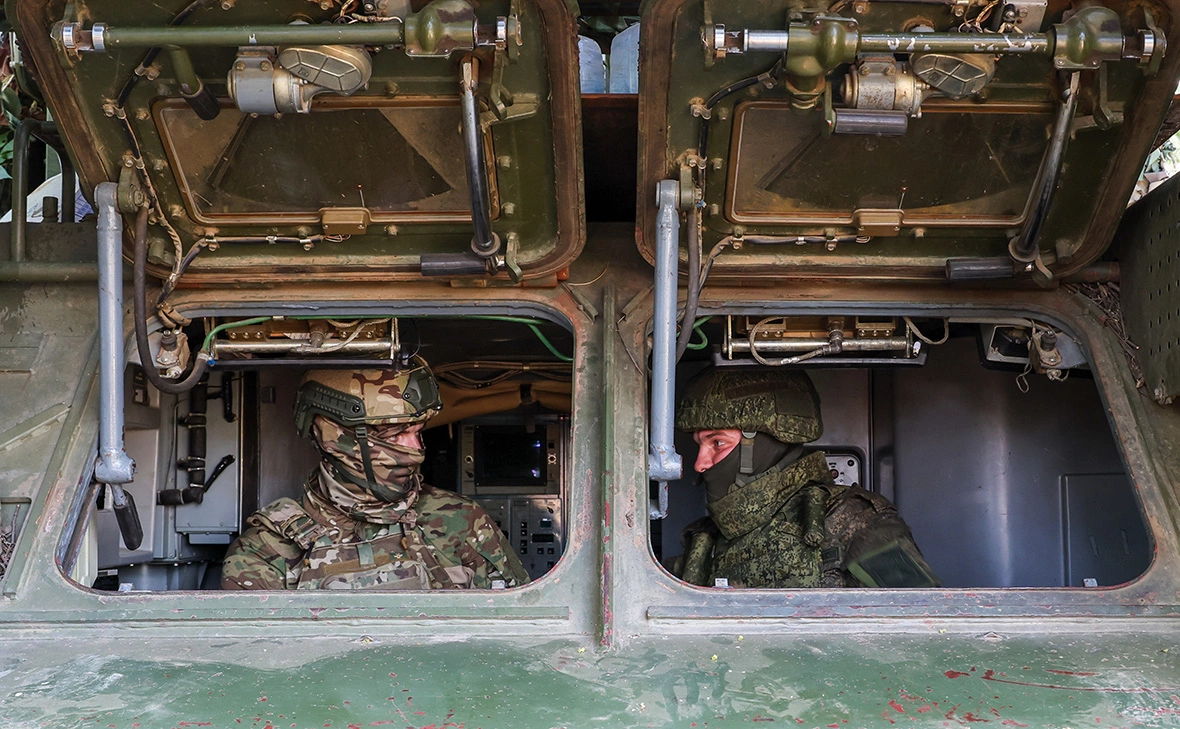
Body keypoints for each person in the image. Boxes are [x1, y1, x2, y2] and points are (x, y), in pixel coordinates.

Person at [221, 359, 529, 590]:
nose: (415, 451)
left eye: (418, 432)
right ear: (332, 437)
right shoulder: (265, 550)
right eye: (395, 435)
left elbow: (519, 629)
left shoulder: (460, 520)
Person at [671, 367, 939, 589]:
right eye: (699, 445)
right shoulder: (708, 536)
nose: (700, 464)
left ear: (765, 444)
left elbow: (924, 627)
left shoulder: (852, 521)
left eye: (717, 443)